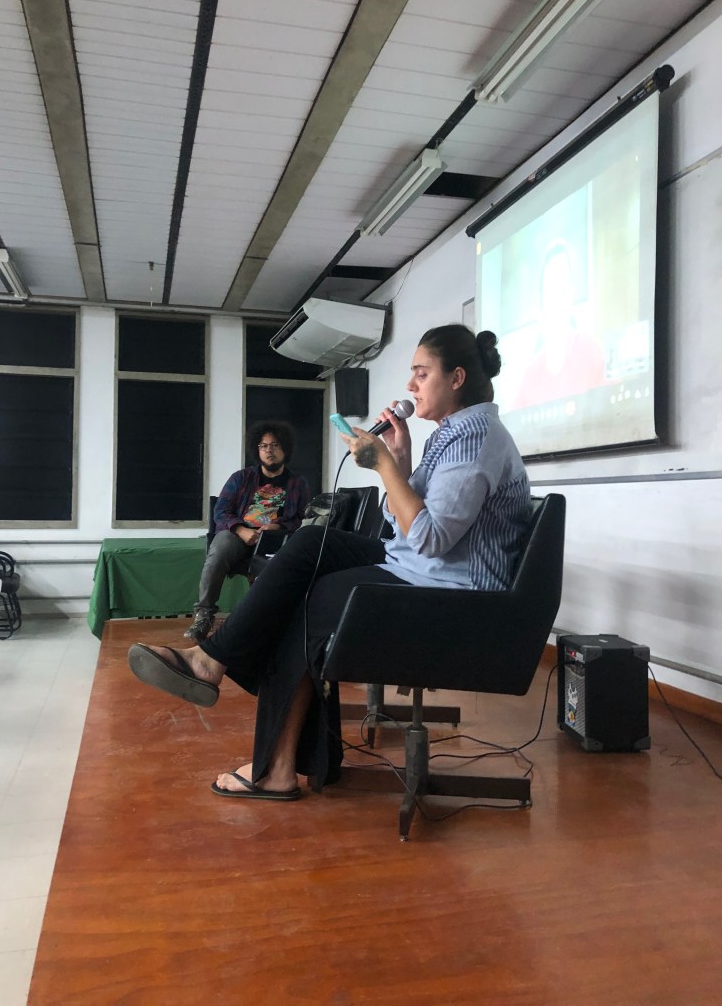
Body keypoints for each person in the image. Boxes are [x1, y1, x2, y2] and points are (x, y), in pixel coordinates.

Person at [128, 324, 531, 801]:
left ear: (457, 378)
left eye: (422, 374)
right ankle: (213, 663)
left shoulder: (474, 439)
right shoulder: (454, 433)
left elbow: (428, 538)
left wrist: (385, 466)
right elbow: (405, 523)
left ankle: (269, 756)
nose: (411, 385)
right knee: (310, 543)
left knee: (310, 604)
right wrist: (400, 461)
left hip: (453, 595)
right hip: (419, 567)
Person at [183, 420, 310, 642]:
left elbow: (303, 518)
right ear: (257, 449)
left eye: (275, 445)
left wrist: (279, 526)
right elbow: (221, 511)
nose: (269, 451)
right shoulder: (241, 478)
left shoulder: (298, 483)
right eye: (264, 446)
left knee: (292, 561)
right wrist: (240, 529)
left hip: (276, 538)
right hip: (238, 534)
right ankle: (204, 615)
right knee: (219, 550)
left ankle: (269, 622)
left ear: (285, 449)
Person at [512, 240, 607, 410]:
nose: (557, 302)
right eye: (551, 292)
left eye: (563, 292)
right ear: (540, 304)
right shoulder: (531, 373)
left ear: (571, 296)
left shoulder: (591, 352)